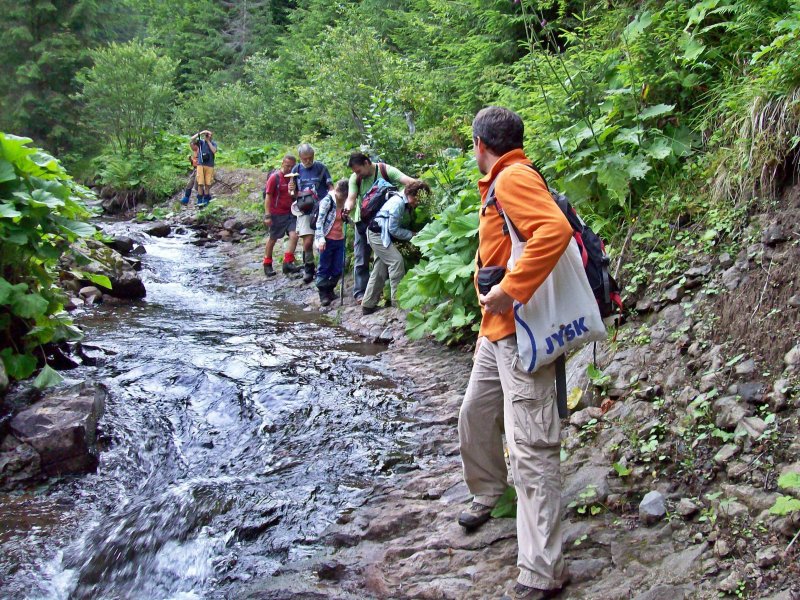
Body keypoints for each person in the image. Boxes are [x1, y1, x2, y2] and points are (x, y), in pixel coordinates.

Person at [457, 107, 573, 600]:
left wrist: (510, 289)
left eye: (472, 144)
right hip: (495, 331)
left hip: (520, 331)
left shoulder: (513, 179)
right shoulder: (501, 183)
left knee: (531, 445)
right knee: (475, 415)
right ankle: (488, 492)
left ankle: (543, 570)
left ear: (481, 143)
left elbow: (554, 231)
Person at [342, 152, 414, 302]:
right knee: (361, 258)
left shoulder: (385, 170)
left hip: (382, 223)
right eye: (355, 172)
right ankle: (360, 294)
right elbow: (351, 198)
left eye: (358, 170)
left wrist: (420, 190)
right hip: (362, 221)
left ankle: (375, 297)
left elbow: (408, 181)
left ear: (367, 163)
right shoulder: (355, 178)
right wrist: (347, 208)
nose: (357, 174)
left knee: (380, 260)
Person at [361, 179, 430, 315]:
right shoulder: (397, 203)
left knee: (379, 269)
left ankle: (368, 305)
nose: (417, 203)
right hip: (377, 235)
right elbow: (393, 230)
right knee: (396, 261)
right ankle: (398, 302)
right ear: (412, 193)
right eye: (417, 199)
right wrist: (413, 235)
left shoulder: (403, 201)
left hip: (380, 234)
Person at [289, 144, 334, 284]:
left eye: (310, 158)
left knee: (324, 240)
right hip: (304, 209)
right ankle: (309, 268)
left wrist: (333, 201)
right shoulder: (296, 169)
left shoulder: (321, 167)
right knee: (307, 241)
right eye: (305, 159)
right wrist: (291, 190)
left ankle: (325, 268)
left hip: (321, 208)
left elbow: (330, 186)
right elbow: (292, 193)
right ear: (300, 158)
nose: (308, 161)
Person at [262, 155, 302, 277]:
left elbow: (295, 196)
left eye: (292, 166)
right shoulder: (275, 178)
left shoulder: (294, 178)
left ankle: (288, 262)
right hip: (276, 213)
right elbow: (268, 196)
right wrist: (267, 215)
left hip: (290, 212)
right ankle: (267, 263)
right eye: (287, 166)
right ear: (282, 164)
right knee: (273, 239)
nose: (289, 168)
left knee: (294, 235)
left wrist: (294, 191)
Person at [313, 179, 349, 306]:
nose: (342, 199)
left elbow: (346, 219)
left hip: (340, 238)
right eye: (341, 197)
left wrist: (346, 217)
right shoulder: (328, 201)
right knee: (324, 266)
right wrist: (320, 239)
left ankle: (330, 289)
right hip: (326, 238)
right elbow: (319, 222)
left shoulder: (347, 202)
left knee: (338, 266)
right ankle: (323, 294)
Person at [192, 130, 217, 207]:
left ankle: (206, 199)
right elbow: (192, 139)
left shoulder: (213, 143)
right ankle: (199, 199)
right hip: (201, 164)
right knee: (200, 183)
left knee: (208, 183)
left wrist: (208, 141)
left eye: (209, 134)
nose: (208, 135)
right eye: (207, 134)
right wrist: (202, 132)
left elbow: (214, 151)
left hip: (210, 165)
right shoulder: (201, 142)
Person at [180, 139, 199, 205]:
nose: (191, 148)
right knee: (189, 184)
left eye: (192, 146)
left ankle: (202, 199)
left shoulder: (200, 151)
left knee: (197, 186)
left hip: (200, 169)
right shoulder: (194, 152)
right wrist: (191, 160)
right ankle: (186, 199)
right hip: (195, 169)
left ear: (195, 145)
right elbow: (194, 162)